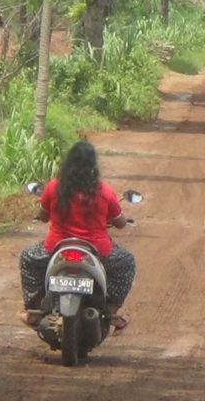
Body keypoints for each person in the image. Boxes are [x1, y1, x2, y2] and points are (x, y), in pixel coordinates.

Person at [18, 140, 136, 335]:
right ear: (92, 165)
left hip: (56, 247)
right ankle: (112, 313)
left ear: (68, 163)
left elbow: (43, 216)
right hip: (98, 250)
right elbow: (121, 223)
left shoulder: (54, 187)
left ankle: (35, 309)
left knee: (28, 257)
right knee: (127, 263)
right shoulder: (104, 191)